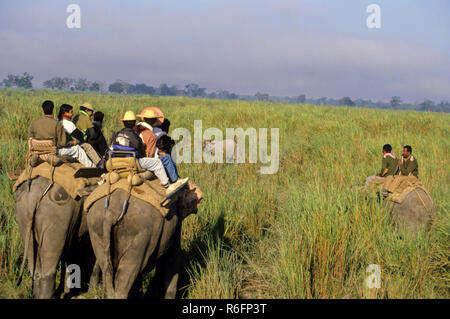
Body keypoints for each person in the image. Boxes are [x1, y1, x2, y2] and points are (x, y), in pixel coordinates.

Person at [110, 110, 187, 196]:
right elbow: (143, 153)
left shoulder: (117, 133)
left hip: (115, 161)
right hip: (132, 161)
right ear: (154, 121)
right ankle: (167, 186)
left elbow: (111, 147)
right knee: (158, 163)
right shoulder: (139, 137)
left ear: (123, 122)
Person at [30, 100, 94, 167]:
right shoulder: (57, 124)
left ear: (42, 110)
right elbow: (62, 143)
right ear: (53, 110)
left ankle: (40, 158)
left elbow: (31, 139)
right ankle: (91, 167)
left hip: (38, 150)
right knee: (77, 149)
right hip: (53, 150)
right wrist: (72, 143)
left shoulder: (34, 123)